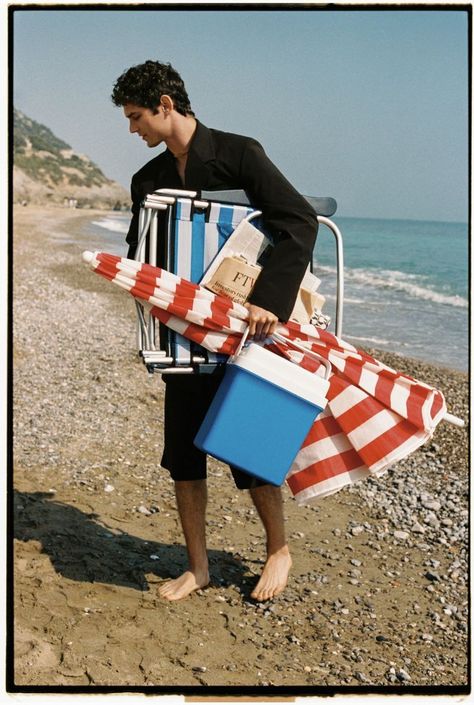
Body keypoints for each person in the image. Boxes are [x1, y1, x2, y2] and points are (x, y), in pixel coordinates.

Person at [111, 60, 318, 602]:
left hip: (242, 332)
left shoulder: (239, 155)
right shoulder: (148, 181)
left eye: (136, 117)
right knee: (183, 452)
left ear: (165, 103)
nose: (134, 130)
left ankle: (278, 549)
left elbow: (299, 220)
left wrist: (269, 302)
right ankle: (198, 567)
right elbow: (144, 256)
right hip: (182, 335)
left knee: (247, 445)